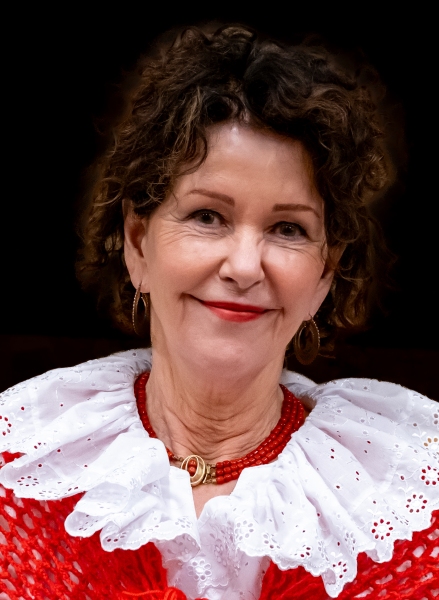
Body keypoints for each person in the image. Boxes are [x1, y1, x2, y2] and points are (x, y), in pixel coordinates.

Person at [0, 24, 438, 600]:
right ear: (137, 244)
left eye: (288, 228)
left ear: (325, 274)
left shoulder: (407, 489)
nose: (245, 266)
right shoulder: (22, 464)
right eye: (208, 216)